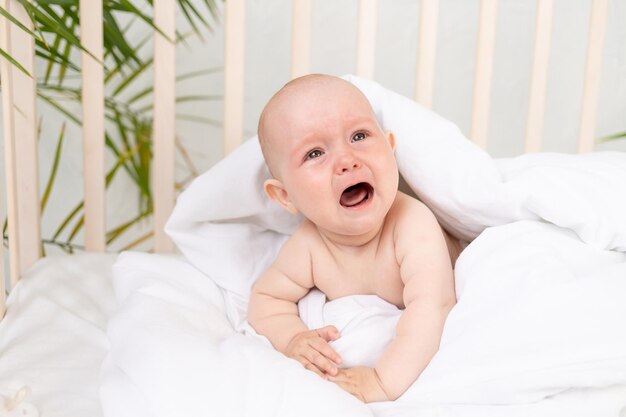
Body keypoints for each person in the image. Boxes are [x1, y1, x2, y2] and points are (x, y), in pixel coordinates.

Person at [247, 74, 461, 403]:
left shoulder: (411, 225)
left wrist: (382, 381)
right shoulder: (309, 247)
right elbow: (266, 300)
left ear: (390, 149)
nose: (347, 161)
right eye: (315, 153)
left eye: (359, 135)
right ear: (285, 197)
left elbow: (434, 306)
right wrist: (293, 339)